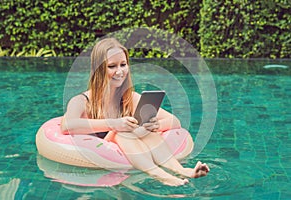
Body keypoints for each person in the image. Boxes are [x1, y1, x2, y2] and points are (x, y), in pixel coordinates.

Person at [61, 38, 209, 186]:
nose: (120, 71)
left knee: (144, 130)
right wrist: (114, 124)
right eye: (112, 66)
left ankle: (182, 171)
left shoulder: (130, 98)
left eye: (123, 65)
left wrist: (156, 125)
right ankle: (160, 175)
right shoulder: (81, 101)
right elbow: (67, 125)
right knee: (122, 132)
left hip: (131, 150)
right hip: (101, 156)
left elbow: (175, 121)